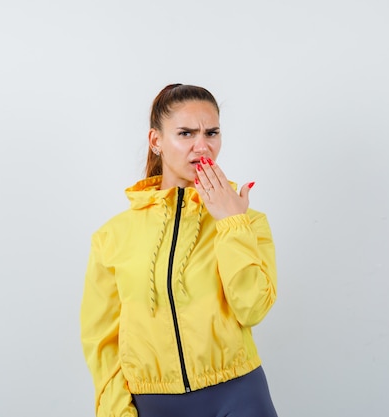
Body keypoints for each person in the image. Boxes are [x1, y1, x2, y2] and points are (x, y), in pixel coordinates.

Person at [80, 84, 278, 417]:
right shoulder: (112, 236)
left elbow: (253, 309)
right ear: (156, 141)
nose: (203, 147)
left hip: (239, 394)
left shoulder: (246, 221)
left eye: (211, 133)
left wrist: (231, 224)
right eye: (186, 133)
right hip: (154, 403)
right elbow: (102, 343)